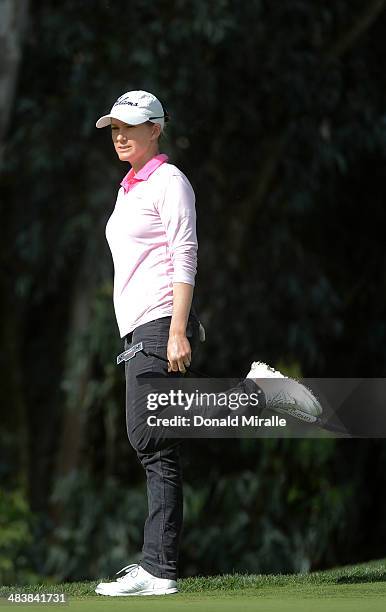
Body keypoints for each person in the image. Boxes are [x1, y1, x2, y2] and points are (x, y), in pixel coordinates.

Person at [93, 90, 322, 597]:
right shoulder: (128, 188)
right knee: (156, 442)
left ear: (158, 128)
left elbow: (184, 251)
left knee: (150, 435)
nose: (120, 135)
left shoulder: (169, 181)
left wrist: (177, 328)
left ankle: (158, 568)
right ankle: (159, 569)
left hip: (159, 320)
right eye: (114, 127)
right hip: (138, 325)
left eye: (130, 126)